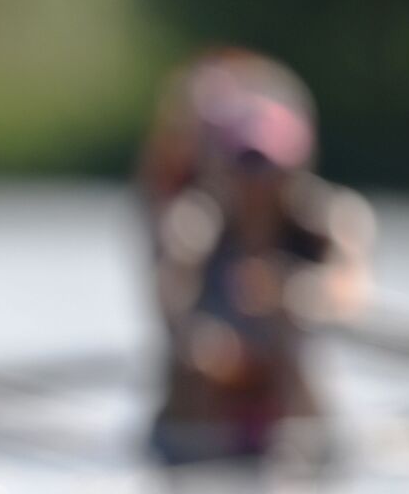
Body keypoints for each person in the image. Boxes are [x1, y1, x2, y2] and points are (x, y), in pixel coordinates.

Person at [139, 50, 374, 467]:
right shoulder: (197, 224)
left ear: (296, 163)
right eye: (245, 164)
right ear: (223, 166)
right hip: (207, 398)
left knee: (289, 345)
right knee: (189, 370)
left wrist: (291, 293)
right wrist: (202, 342)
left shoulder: (328, 220)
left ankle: (296, 462)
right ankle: (196, 466)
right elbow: (170, 296)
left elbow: (349, 294)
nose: (257, 182)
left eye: (269, 166)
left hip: (288, 400)